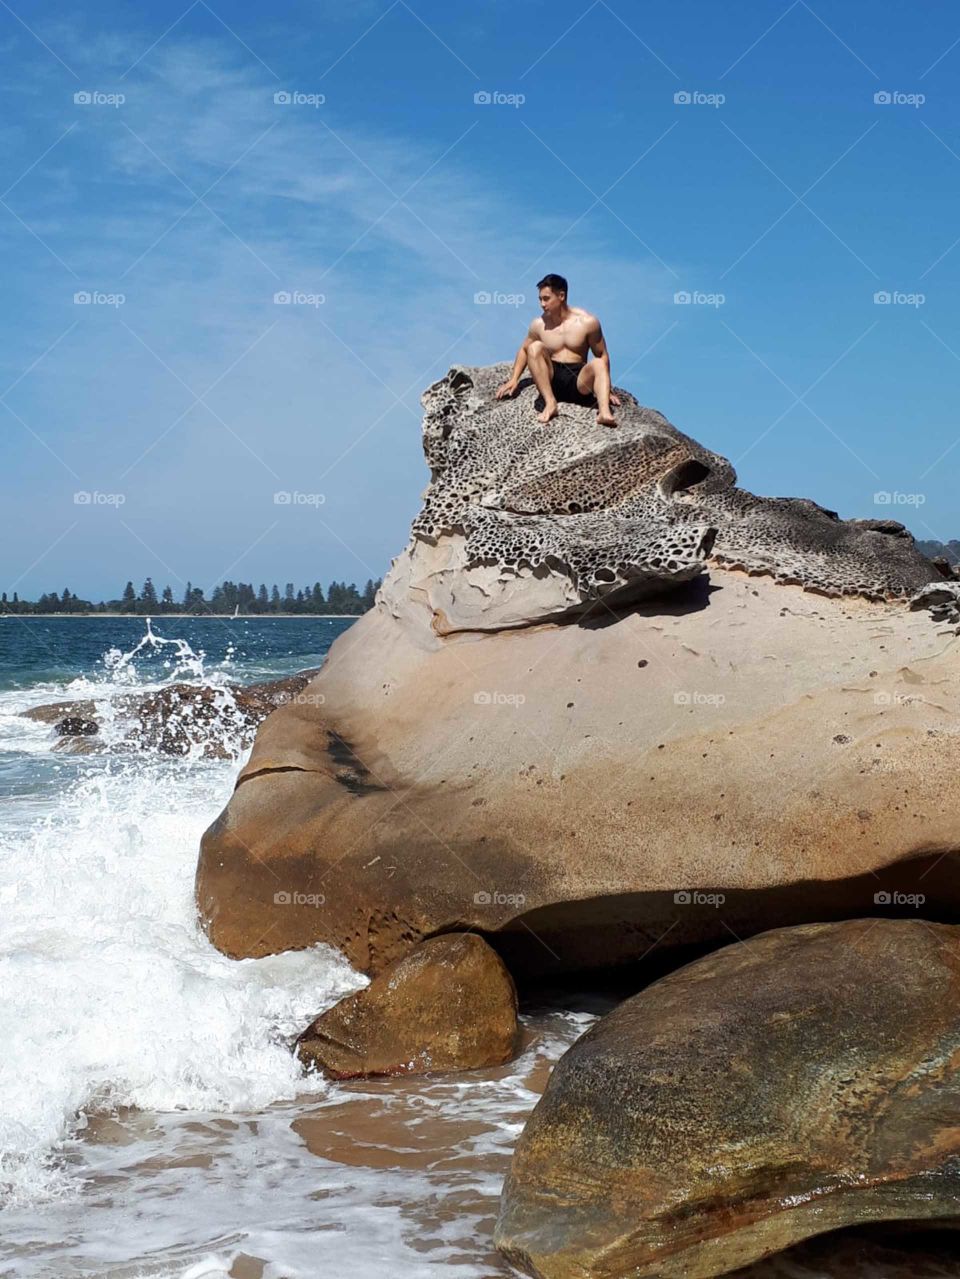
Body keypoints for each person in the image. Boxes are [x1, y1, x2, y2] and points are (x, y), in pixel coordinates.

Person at [495, 273, 620, 426]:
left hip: (579, 381)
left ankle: (604, 413)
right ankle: (550, 403)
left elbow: (602, 355)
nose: (542, 304)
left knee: (598, 363)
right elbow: (524, 349)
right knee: (534, 347)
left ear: (561, 296)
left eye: (546, 298)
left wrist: (607, 389)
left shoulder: (588, 322)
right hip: (552, 379)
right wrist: (514, 379)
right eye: (540, 299)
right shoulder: (538, 324)